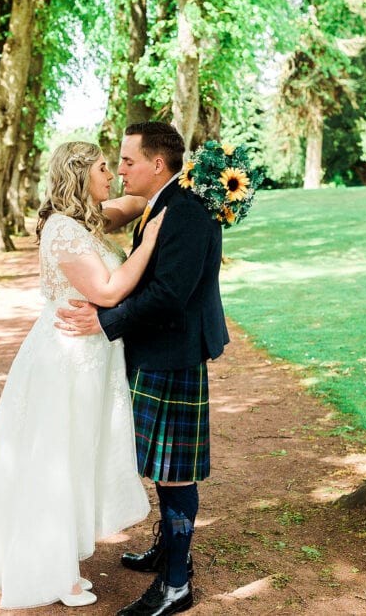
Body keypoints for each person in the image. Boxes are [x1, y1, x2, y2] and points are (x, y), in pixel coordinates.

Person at [0, 141, 166, 609]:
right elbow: (107, 291)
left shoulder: (87, 220)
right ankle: (50, 573)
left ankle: (59, 560)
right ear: (80, 174)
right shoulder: (64, 229)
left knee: (75, 456)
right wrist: (149, 244)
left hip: (89, 359)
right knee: (56, 460)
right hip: (66, 360)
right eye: (105, 168)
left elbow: (134, 201)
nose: (113, 175)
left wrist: (179, 185)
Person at [56, 122, 229, 616]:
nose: (121, 169)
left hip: (173, 355)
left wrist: (105, 320)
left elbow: (170, 294)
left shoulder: (187, 211)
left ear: (157, 163)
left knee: (174, 473)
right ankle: (170, 551)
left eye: (128, 161)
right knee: (160, 465)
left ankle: (177, 584)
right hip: (157, 351)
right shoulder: (165, 202)